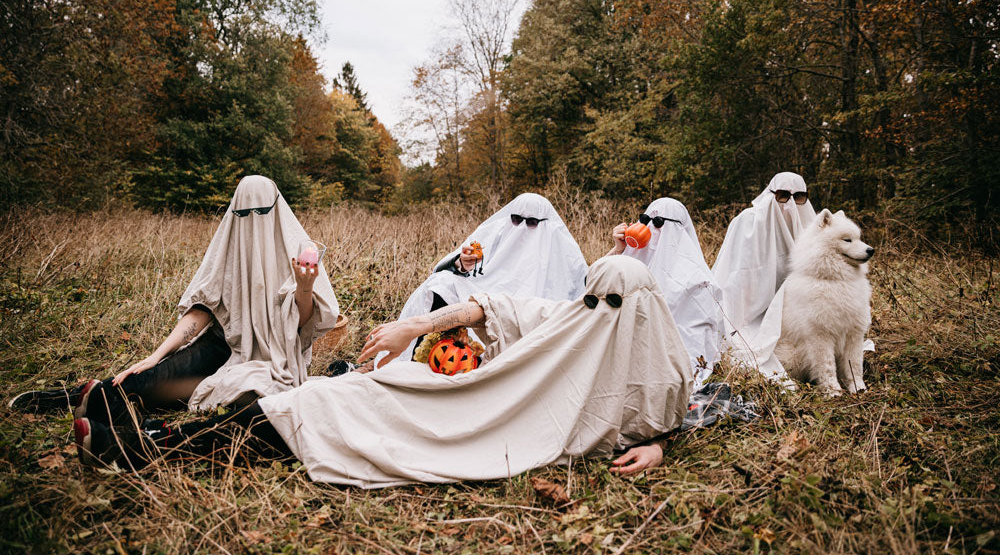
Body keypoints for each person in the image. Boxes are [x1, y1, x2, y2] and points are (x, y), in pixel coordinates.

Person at [74, 256, 693, 487]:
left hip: (496, 434)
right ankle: (152, 438)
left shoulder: (663, 374)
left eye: (610, 306)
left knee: (323, 416)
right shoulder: (571, 320)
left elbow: (674, 415)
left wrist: (661, 448)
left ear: (645, 315)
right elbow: (492, 305)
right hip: (463, 396)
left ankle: (146, 452)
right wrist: (412, 328)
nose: (596, 314)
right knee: (338, 396)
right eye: (591, 299)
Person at [11, 176, 339, 427]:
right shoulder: (229, 245)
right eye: (244, 213)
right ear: (234, 212)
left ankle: (110, 407)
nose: (252, 220)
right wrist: (156, 355)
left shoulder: (298, 250)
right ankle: (74, 396)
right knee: (147, 382)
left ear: (276, 210)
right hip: (224, 343)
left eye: (261, 212)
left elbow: (301, 324)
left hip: (274, 353)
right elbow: (203, 309)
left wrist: (305, 288)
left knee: (249, 402)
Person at [370, 193, 587, 369]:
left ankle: (472, 362)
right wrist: (463, 263)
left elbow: (583, 283)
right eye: (516, 220)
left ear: (544, 223)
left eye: (530, 223)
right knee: (440, 282)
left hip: (528, 305)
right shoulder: (499, 229)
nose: (520, 227)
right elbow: (462, 262)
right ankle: (415, 358)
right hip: (485, 289)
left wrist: (619, 250)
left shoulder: (559, 244)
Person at [608, 198, 724, 386]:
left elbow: (694, 342)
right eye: (646, 220)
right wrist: (618, 249)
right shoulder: (630, 261)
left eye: (660, 223)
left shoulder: (697, 280)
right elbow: (593, 286)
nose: (654, 230)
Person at [711, 172, 815, 381]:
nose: (791, 205)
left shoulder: (810, 225)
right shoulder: (749, 221)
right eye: (783, 195)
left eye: (799, 197)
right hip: (749, 307)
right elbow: (737, 272)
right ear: (771, 194)